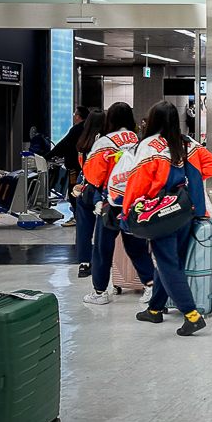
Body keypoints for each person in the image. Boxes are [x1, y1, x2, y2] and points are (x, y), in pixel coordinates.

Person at [125, 101, 212, 336]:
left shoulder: (149, 146)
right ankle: (155, 309)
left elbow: (137, 184)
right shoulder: (188, 143)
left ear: (153, 120)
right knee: (170, 261)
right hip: (187, 211)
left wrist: (128, 213)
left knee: (167, 263)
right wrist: (189, 183)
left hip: (160, 213)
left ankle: (192, 315)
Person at [81, 102, 155, 305]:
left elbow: (95, 176)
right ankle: (150, 286)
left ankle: (99, 292)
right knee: (137, 246)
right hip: (134, 202)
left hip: (109, 203)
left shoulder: (103, 142)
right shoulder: (138, 140)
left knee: (102, 249)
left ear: (109, 119)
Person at [70, 110, 106, 277]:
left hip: (84, 188)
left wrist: (78, 185)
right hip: (101, 189)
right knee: (103, 229)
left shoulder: (82, 142)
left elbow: (83, 169)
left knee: (83, 228)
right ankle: (103, 262)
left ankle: (84, 263)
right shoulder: (105, 143)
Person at [49, 106, 89, 223]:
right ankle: (80, 215)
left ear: (78, 116)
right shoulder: (88, 129)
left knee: (73, 190)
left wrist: (49, 155)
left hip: (75, 167)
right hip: (85, 167)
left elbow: (65, 143)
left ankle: (77, 217)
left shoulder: (77, 129)